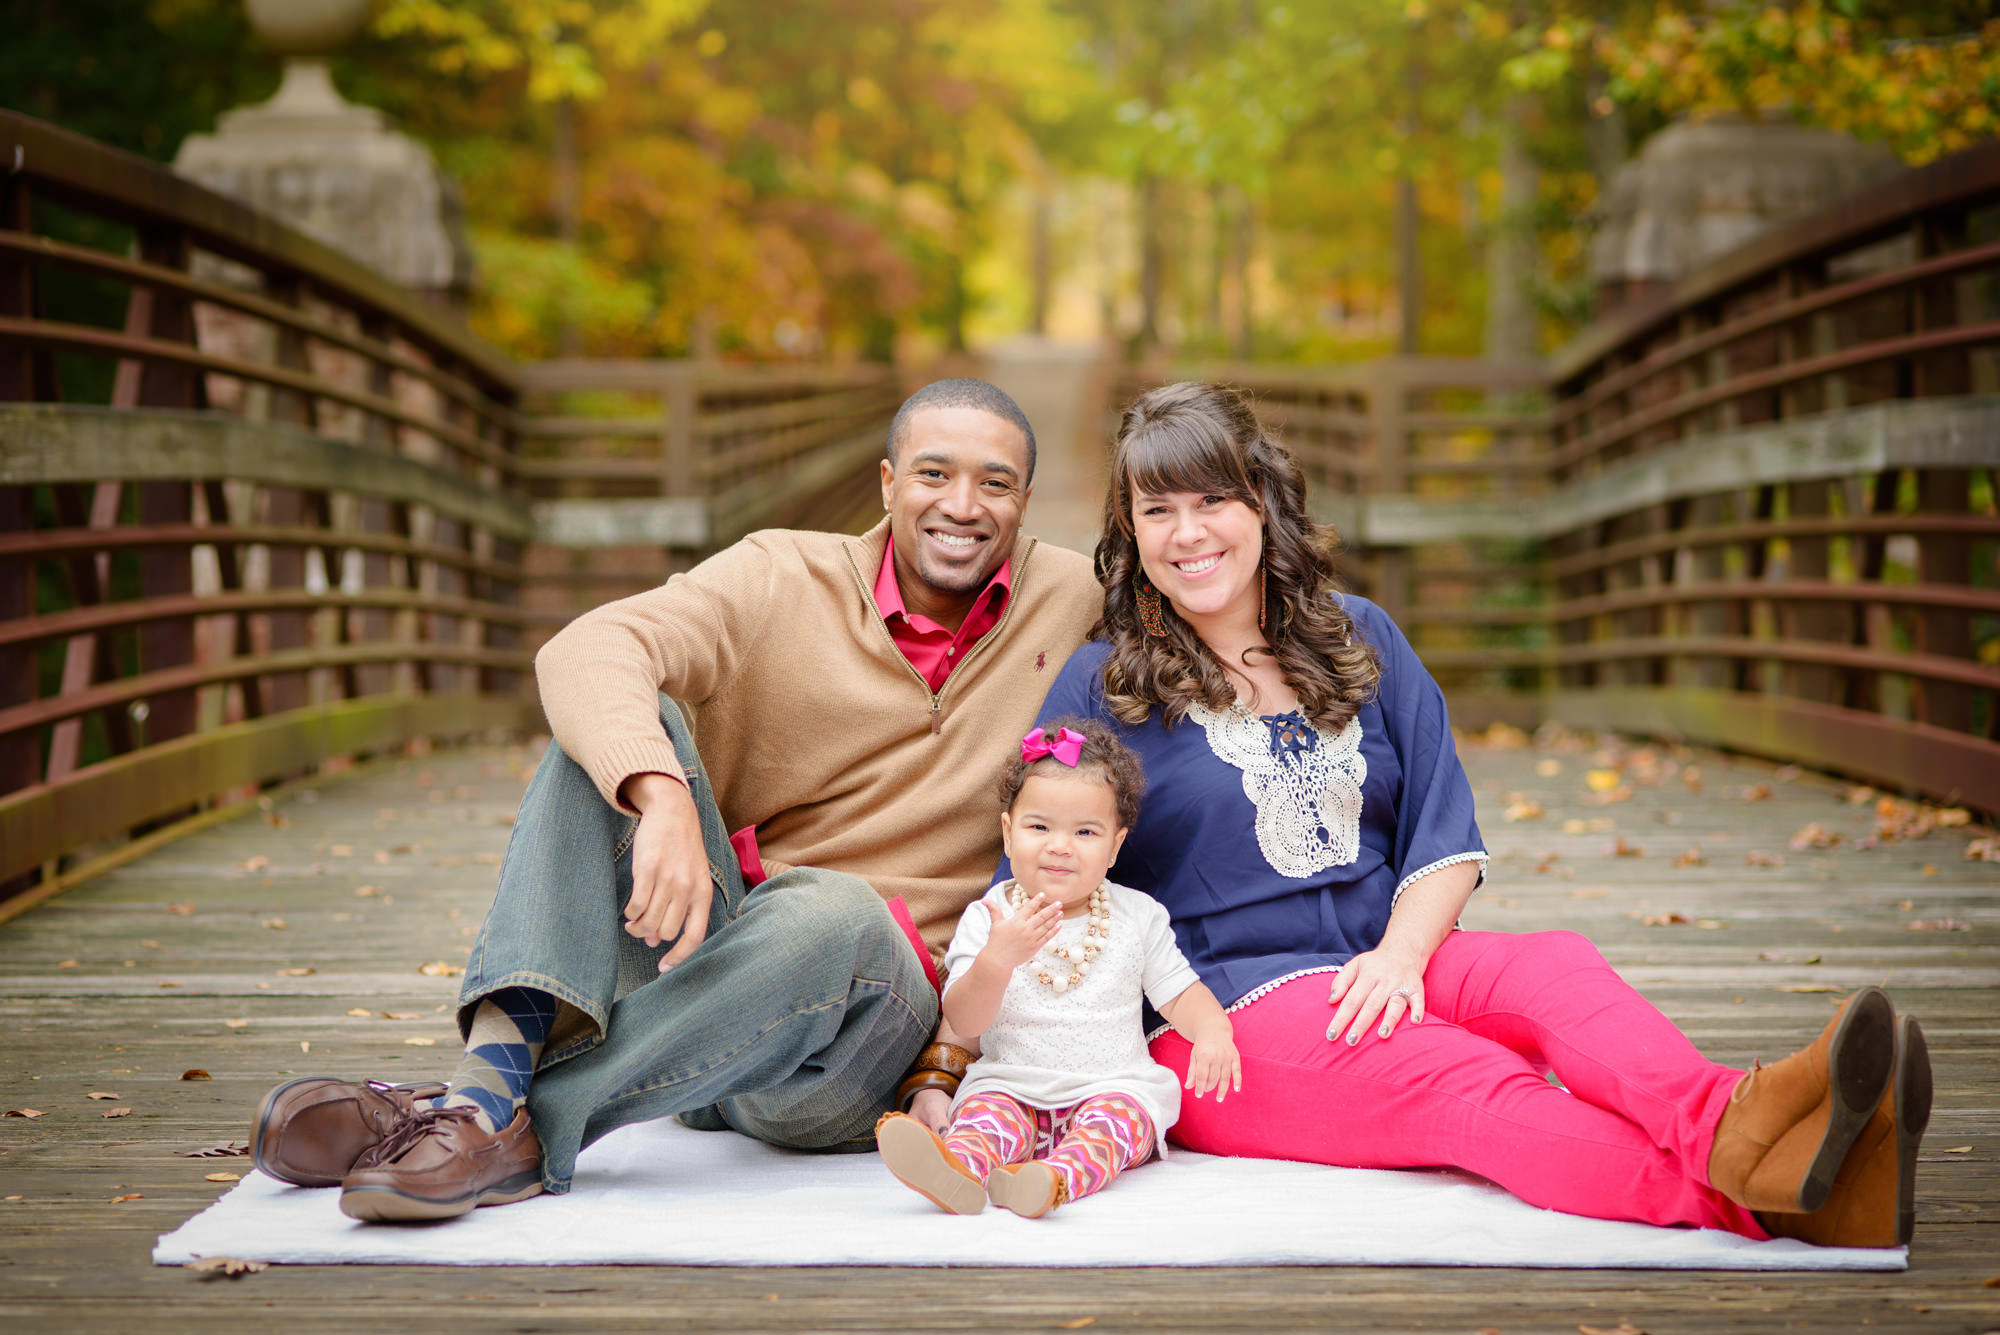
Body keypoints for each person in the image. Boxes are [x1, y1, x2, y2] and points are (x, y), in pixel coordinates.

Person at [1017, 380, 1929, 1249]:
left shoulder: (1358, 637)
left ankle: (1735, 1117)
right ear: (1129, 533)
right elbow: (1038, 877)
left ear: (1261, 500)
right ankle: (1789, 1201)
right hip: (1219, 1016)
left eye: (1211, 499)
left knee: (1550, 967)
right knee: (1466, 1079)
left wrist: (1402, 956)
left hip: (1390, 953)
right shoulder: (1106, 688)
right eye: (1156, 510)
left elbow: (1445, 830)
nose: (1187, 533)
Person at [248, 378, 1104, 1222]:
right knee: (624, 725)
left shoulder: (1072, 600)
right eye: (933, 473)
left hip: (861, 1045)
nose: (962, 504)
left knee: (839, 911)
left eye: (994, 483)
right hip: (709, 978)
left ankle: (482, 1116)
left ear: (1026, 501)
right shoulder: (780, 573)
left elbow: (1208, 609)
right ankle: (486, 1098)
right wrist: (660, 798)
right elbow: (586, 647)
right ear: (886, 483)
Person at [876, 719, 1239, 1218]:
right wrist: (996, 961)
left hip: (1110, 1087)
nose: (1060, 845)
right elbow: (965, 1021)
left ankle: (1049, 1180)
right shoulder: (990, 917)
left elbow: (1179, 994)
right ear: (1008, 834)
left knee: (1114, 1129)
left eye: (1085, 831)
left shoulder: (1138, 916)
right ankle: (955, 1171)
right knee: (985, 1121)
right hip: (1011, 1084)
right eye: (1039, 826)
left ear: (1115, 845)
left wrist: (1214, 1029)